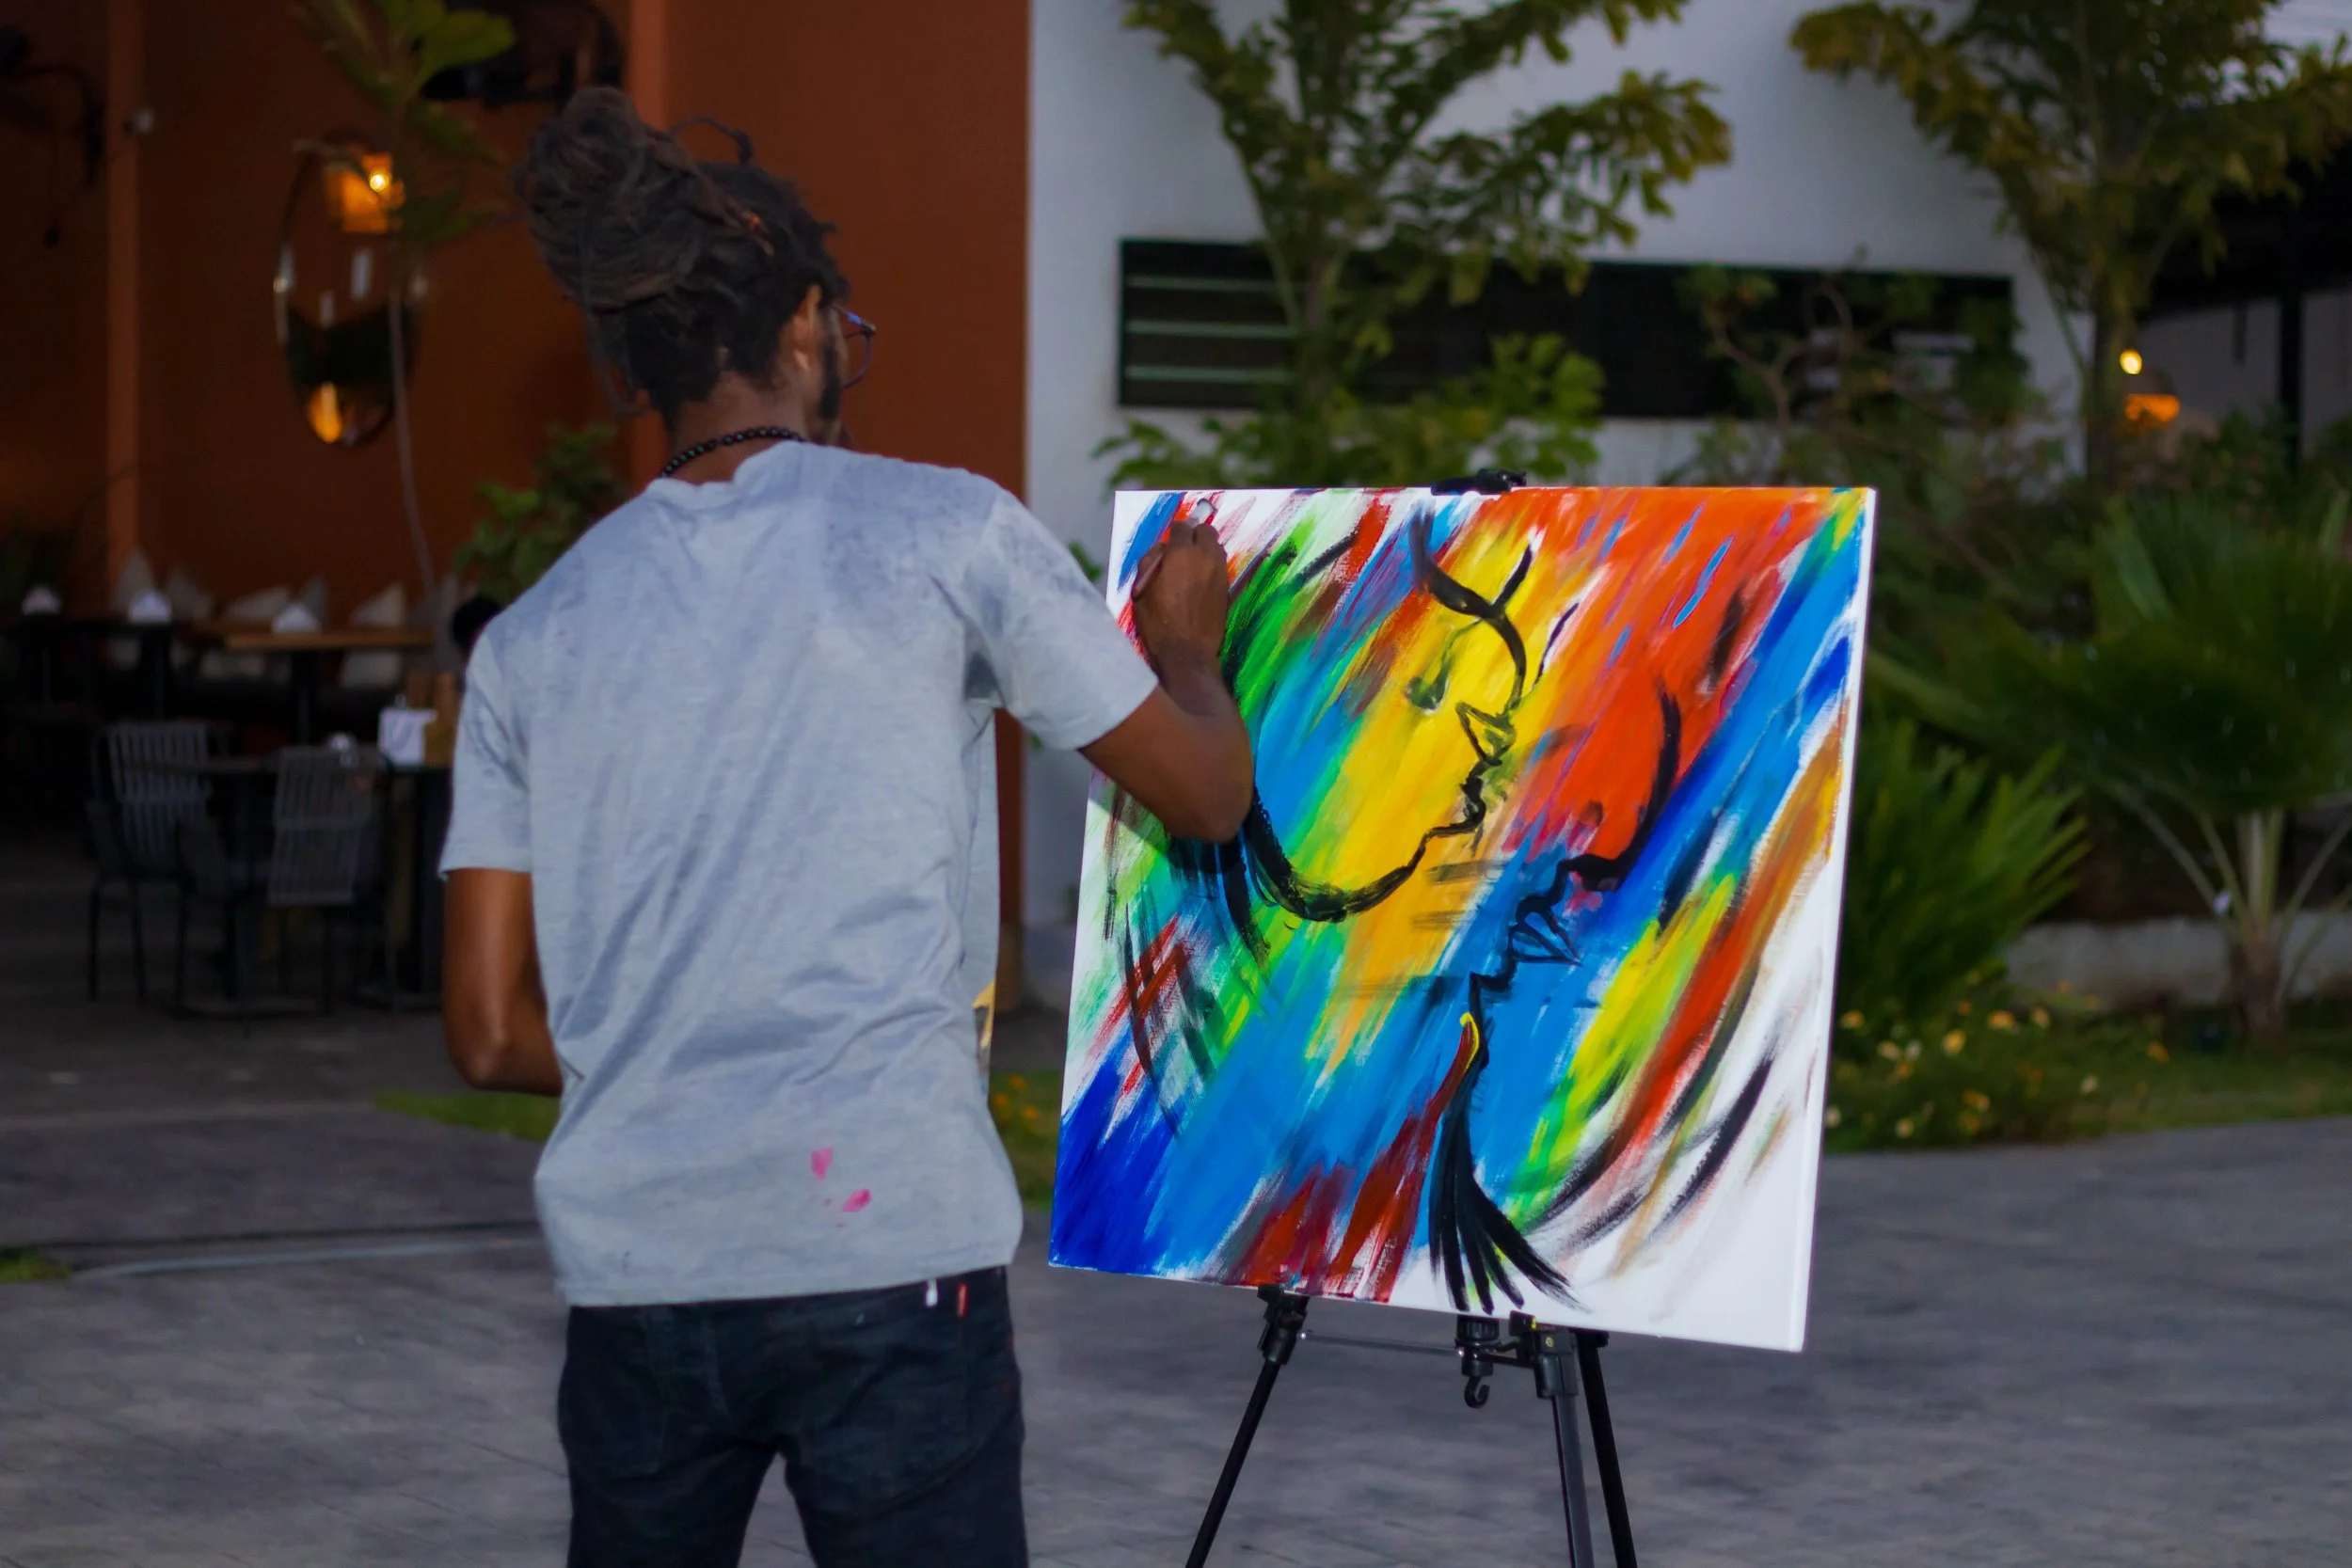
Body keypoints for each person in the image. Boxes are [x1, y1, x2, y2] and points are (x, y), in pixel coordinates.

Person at [438, 87, 1251, 1568]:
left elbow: (488, 1032)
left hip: (638, 1274)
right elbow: (1201, 797)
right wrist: (1189, 651)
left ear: (647, 365)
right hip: (887, 1257)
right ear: (808, 326)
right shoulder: (944, 534)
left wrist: (680, 1031)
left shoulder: (534, 638)